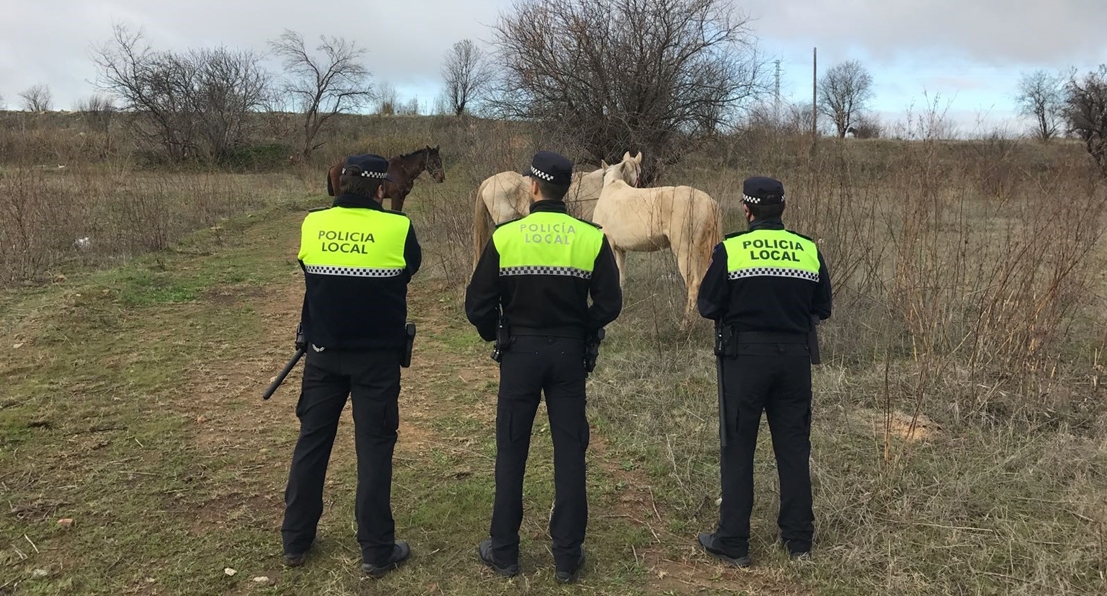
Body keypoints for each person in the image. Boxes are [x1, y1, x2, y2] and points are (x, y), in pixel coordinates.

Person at [464, 151, 623, 584]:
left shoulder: (507, 235)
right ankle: (567, 557)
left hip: (519, 353)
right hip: (569, 355)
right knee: (571, 451)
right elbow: (610, 303)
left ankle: (505, 551)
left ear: (532, 187)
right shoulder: (590, 236)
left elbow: (476, 304)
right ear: (567, 189)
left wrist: (495, 332)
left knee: (511, 449)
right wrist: (583, 328)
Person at [280, 153, 421, 578]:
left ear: (341, 184)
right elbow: (409, 269)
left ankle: (295, 540)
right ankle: (377, 550)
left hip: (322, 355)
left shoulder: (313, 223)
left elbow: (309, 270)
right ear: (381, 190)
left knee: (311, 444)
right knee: (374, 451)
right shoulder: (398, 227)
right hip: (377, 360)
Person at [695, 176, 832, 566]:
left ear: (746, 209)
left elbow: (708, 305)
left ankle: (734, 542)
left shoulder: (732, 249)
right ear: (783, 209)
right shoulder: (807, 249)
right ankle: (799, 542)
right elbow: (822, 306)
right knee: (793, 448)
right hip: (794, 359)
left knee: (738, 449)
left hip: (744, 359)